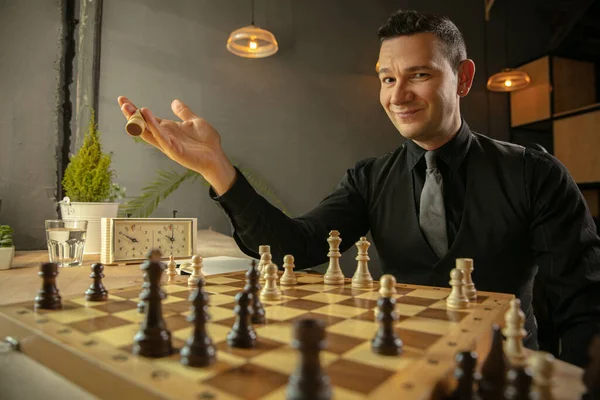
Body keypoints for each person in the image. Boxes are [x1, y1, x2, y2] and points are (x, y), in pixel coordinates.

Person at [118, 9, 600, 367]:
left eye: (419, 75)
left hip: (505, 375)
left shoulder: (534, 174)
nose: (397, 94)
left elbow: (581, 305)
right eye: (387, 78)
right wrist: (216, 167)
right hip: (394, 372)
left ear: (464, 78)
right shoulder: (369, 179)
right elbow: (294, 247)